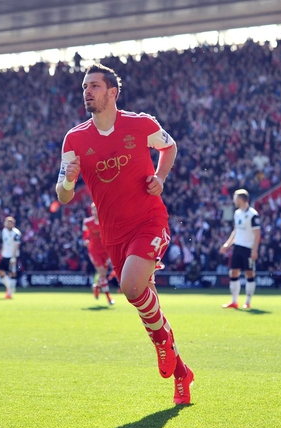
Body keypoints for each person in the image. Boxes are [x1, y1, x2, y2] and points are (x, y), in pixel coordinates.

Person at [56, 63, 193, 405]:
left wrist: (160, 178)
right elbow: (63, 194)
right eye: (85, 87)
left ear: (112, 92)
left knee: (132, 287)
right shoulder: (74, 139)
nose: (87, 91)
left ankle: (163, 344)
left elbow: (170, 147)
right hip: (113, 234)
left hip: (148, 220)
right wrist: (69, 179)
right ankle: (181, 373)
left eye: (94, 86)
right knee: (144, 300)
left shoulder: (141, 123)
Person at [220, 189, 261, 309]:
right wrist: (228, 244)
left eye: (235, 197)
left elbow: (257, 233)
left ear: (242, 199)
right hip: (237, 247)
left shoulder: (253, 215)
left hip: (248, 248)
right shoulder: (237, 213)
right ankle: (234, 301)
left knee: (249, 273)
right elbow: (235, 230)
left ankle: (247, 301)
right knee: (233, 272)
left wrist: (255, 250)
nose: (234, 200)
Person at [82, 203, 114, 305]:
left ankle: (96, 286)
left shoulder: (105, 221)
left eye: (97, 209)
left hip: (105, 250)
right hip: (94, 250)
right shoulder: (87, 222)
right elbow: (85, 235)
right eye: (93, 209)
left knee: (103, 273)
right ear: (91, 211)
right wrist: (85, 241)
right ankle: (109, 298)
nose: (95, 211)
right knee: (102, 272)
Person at [0, 216, 20, 299]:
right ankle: (10, 287)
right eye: (7, 222)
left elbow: (16, 246)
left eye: (10, 223)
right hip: (5, 254)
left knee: (12, 273)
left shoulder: (16, 233)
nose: (8, 224)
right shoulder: (4, 231)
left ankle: (9, 292)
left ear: (13, 224)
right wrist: (2, 253)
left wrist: (13, 257)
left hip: (12, 255)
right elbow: (4, 243)